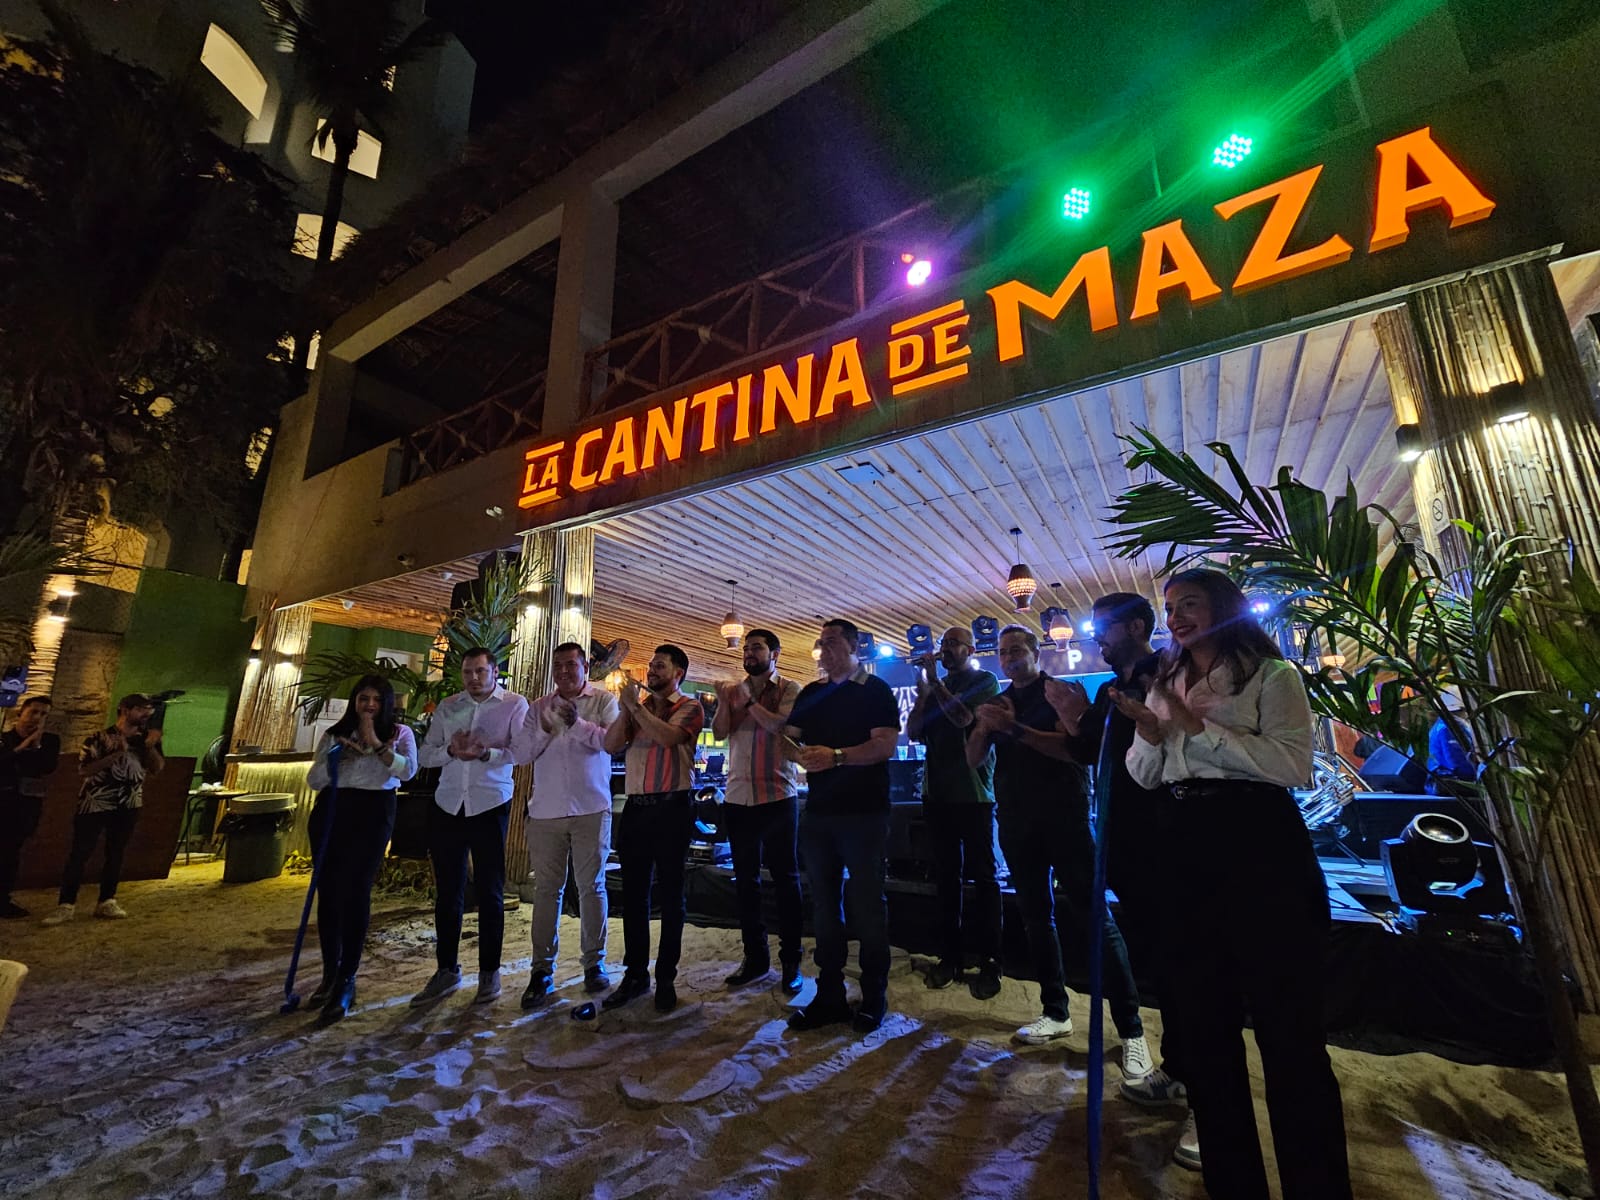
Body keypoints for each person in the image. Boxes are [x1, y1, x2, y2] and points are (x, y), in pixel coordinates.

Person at [1115, 568, 1351, 1200]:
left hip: (1259, 851)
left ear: (1224, 607)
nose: (1176, 616)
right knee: (1205, 1031)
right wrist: (1148, 733)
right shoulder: (1167, 680)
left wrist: (1197, 731)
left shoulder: (1274, 677)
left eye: (1189, 603)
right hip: (1181, 854)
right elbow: (1146, 776)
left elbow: (1291, 764)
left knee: (1290, 1037)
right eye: (1170, 606)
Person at [1046, 593, 1194, 1165]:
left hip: (1168, 842)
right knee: (1162, 963)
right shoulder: (1119, 682)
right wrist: (1068, 715)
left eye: (1103, 629)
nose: (1096, 640)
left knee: (1186, 969)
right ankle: (1179, 1073)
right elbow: (1092, 751)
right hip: (1125, 843)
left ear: (1137, 626)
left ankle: (1207, 1097)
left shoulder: (1167, 675)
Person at [966, 625, 1150, 1079]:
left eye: (1017, 649)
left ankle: (1132, 1031)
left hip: (1065, 819)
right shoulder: (996, 701)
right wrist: (985, 726)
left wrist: (1015, 728)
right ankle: (1056, 1012)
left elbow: (1075, 751)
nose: (1008, 658)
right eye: (1003, 652)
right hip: (1014, 821)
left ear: (1035, 652)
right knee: (1034, 917)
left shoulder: (1060, 692)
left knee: (1095, 920)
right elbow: (973, 759)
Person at [785, 618, 901, 1034]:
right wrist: (798, 756)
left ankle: (874, 996)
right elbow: (788, 738)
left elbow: (885, 744)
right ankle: (829, 995)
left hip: (865, 813)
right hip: (818, 813)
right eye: (821, 643)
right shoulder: (813, 692)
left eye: (832, 642)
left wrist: (834, 756)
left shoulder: (876, 691)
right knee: (824, 908)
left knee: (868, 907)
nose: (824, 649)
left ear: (855, 647)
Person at [413, 647, 530, 1007]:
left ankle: (489, 974)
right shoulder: (449, 707)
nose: (474, 678)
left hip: (490, 803)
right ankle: (447, 970)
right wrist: (450, 751)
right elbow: (424, 754)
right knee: (448, 892)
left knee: (492, 892)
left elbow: (522, 752)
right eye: (468, 672)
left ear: (495, 672)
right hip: (448, 803)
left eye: (480, 671)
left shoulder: (514, 704)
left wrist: (485, 754)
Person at [303, 675, 419, 1022]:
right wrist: (340, 762)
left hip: (373, 812)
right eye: (363, 699)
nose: (369, 706)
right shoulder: (334, 733)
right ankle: (329, 972)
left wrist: (376, 745)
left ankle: (347, 979)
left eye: (376, 700)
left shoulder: (401, 734)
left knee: (356, 891)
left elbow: (409, 771)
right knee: (330, 893)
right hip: (333, 808)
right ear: (354, 701)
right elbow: (313, 779)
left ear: (386, 704)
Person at [517, 641, 621, 1007]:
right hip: (545, 811)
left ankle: (594, 965)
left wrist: (576, 725)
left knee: (592, 887)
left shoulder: (604, 702)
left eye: (570, 665)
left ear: (585, 667)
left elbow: (610, 743)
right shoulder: (538, 708)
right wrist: (548, 727)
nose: (563, 672)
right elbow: (521, 753)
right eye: (558, 666)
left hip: (592, 808)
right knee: (547, 892)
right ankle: (541, 971)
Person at [602, 644, 705, 1013]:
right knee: (634, 895)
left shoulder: (690, 706)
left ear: (679, 672)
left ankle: (665, 977)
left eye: (659, 666)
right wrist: (625, 707)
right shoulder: (640, 708)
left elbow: (668, 738)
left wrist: (632, 707)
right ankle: (635, 975)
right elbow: (609, 744)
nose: (651, 671)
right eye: (650, 666)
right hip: (636, 809)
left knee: (672, 895)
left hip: (672, 808)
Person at [905, 625, 1002, 998]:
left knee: (984, 879)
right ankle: (951, 957)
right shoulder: (933, 687)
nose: (944, 649)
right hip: (938, 795)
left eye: (951, 644)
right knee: (945, 879)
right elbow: (914, 732)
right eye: (942, 644)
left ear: (970, 649)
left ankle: (991, 960)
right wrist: (921, 695)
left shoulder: (985, 681)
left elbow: (965, 720)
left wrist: (937, 685)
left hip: (975, 794)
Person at [713, 628, 805, 994]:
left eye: (757, 647)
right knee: (746, 883)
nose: (749, 653)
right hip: (738, 796)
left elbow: (778, 726)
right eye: (747, 648)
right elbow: (720, 733)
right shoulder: (734, 692)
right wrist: (723, 702)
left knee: (786, 881)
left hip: (778, 794)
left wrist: (747, 699)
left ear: (774, 653)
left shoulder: (790, 688)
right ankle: (755, 958)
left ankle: (792, 962)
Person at [43, 693, 165, 925]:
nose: (146, 714)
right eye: (140, 709)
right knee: (80, 854)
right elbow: (85, 770)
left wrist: (148, 747)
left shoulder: (148, 739)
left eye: (149, 710)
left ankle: (107, 900)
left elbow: (157, 768)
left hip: (129, 803)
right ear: (125, 710)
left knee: (116, 853)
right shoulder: (98, 737)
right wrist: (118, 752)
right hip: (95, 803)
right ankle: (66, 905)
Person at [0, 696, 61, 918]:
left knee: (10, 854)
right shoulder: (4, 739)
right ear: (20, 713)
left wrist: (35, 746)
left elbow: (47, 767)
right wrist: (21, 748)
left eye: (43, 714)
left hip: (25, 807)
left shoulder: (50, 741)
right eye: (33, 712)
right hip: (2, 802)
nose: (37, 718)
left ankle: (2, 900)